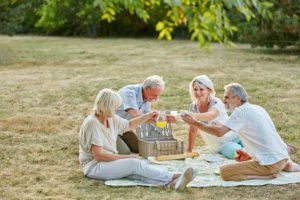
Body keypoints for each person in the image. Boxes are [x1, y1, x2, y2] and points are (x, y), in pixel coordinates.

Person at [78, 88, 196, 191]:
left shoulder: (110, 118)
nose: (118, 108)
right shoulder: (92, 123)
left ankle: (171, 184)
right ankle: (172, 176)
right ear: (107, 106)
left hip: (108, 163)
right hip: (94, 166)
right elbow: (99, 155)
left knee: (138, 173)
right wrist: (128, 157)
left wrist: (148, 116)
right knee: (134, 163)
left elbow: (129, 125)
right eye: (116, 106)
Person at [182, 83, 300, 181]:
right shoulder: (258, 108)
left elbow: (219, 133)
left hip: (270, 164)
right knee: (248, 158)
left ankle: (266, 176)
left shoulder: (240, 112)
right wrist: (249, 155)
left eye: (227, 97)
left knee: (224, 172)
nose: (224, 101)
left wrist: (195, 123)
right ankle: (285, 166)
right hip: (283, 157)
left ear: (237, 99)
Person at [186, 75, 243, 159]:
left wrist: (192, 116)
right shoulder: (193, 107)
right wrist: (189, 150)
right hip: (221, 144)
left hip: (236, 135)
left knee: (255, 147)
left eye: (201, 89)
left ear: (208, 90)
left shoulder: (216, 102)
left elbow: (211, 115)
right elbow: (193, 130)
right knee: (240, 154)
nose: (198, 93)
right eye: (195, 89)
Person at [116, 75, 171, 154]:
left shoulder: (147, 98)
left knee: (141, 149)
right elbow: (135, 115)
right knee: (125, 152)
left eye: (158, 96)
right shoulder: (129, 93)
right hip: (110, 127)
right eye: (154, 95)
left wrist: (163, 120)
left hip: (125, 128)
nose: (155, 99)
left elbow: (144, 120)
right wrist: (154, 117)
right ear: (146, 88)